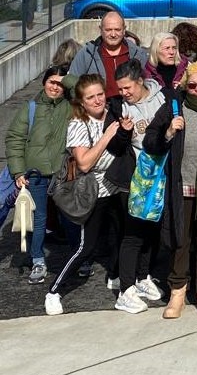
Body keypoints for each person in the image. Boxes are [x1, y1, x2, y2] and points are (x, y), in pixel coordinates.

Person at [143, 62, 197, 320]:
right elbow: (150, 140)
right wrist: (169, 132)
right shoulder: (175, 106)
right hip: (180, 186)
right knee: (180, 240)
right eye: (192, 85)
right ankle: (178, 290)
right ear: (185, 85)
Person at [44, 75, 127, 315]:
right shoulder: (78, 124)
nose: (98, 100)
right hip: (93, 191)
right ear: (81, 102)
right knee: (86, 246)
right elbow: (84, 163)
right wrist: (107, 136)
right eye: (90, 97)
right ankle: (54, 291)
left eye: (100, 94)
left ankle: (115, 275)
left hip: (117, 186)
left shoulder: (114, 112)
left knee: (121, 235)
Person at [6, 66, 73, 285]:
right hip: (35, 174)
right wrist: (18, 171)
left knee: (70, 215)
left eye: (60, 84)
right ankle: (37, 259)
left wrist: (67, 79)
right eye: (52, 82)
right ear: (43, 82)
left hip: (63, 172)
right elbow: (15, 138)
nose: (56, 87)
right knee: (39, 218)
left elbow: (82, 88)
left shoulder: (70, 106)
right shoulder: (31, 107)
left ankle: (78, 258)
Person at [108, 60, 166, 313]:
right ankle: (125, 290)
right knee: (132, 234)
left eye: (127, 88)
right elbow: (115, 148)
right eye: (120, 89)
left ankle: (143, 277)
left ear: (140, 82)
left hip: (159, 174)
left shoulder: (162, 98)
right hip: (134, 178)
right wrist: (123, 132)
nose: (124, 93)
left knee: (152, 230)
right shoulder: (119, 107)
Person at [69, 12, 148, 98]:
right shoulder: (86, 54)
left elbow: (147, 83)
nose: (113, 34)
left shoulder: (138, 53)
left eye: (117, 30)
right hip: (99, 105)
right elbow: (72, 84)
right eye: (108, 30)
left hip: (131, 104)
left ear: (124, 30)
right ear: (101, 29)